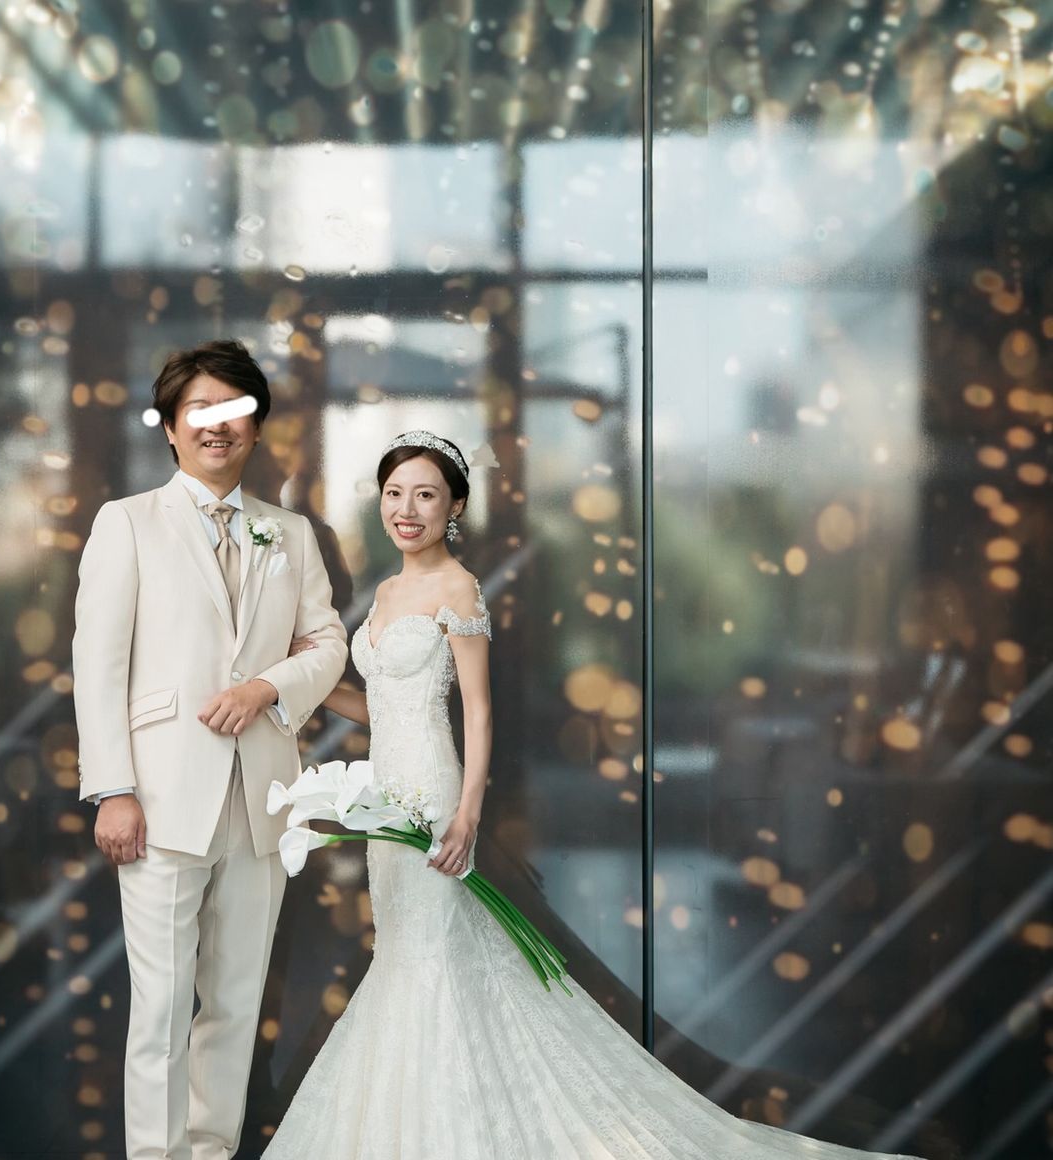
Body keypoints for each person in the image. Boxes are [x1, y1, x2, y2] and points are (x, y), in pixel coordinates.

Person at [265, 430, 920, 1160]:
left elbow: (478, 711)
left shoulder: (458, 587)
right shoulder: (387, 592)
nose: (406, 510)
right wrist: (305, 682)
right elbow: (379, 708)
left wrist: (468, 814)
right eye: (394, 494)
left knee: (432, 957)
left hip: (434, 792)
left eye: (425, 495)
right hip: (386, 798)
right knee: (405, 953)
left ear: (454, 507)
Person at [72, 339, 347, 1160]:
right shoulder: (126, 523)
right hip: (159, 800)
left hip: (263, 800)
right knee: (160, 1008)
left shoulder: (289, 534)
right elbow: (98, 667)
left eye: (234, 411)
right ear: (170, 426)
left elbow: (328, 643)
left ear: (256, 429)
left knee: (234, 1002)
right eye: (200, 410)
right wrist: (112, 789)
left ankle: (211, 1152)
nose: (216, 425)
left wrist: (265, 688)